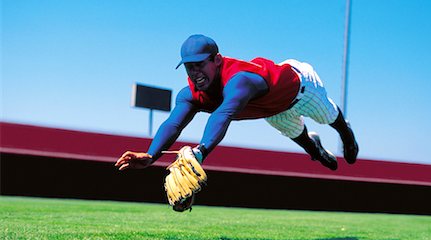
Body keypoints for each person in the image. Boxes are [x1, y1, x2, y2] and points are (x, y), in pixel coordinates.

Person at [115, 34, 358, 172]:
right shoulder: (189, 93)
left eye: (200, 64)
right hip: (273, 109)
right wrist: (150, 154)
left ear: (217, 60)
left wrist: (200, 152)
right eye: (190, 66)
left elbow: (223, 114)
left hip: (302, 88)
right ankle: (315, 148)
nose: (195, 72)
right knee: (299, 137)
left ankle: (347, 135)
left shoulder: (239, 80)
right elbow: (174, 124)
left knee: (328, 117)